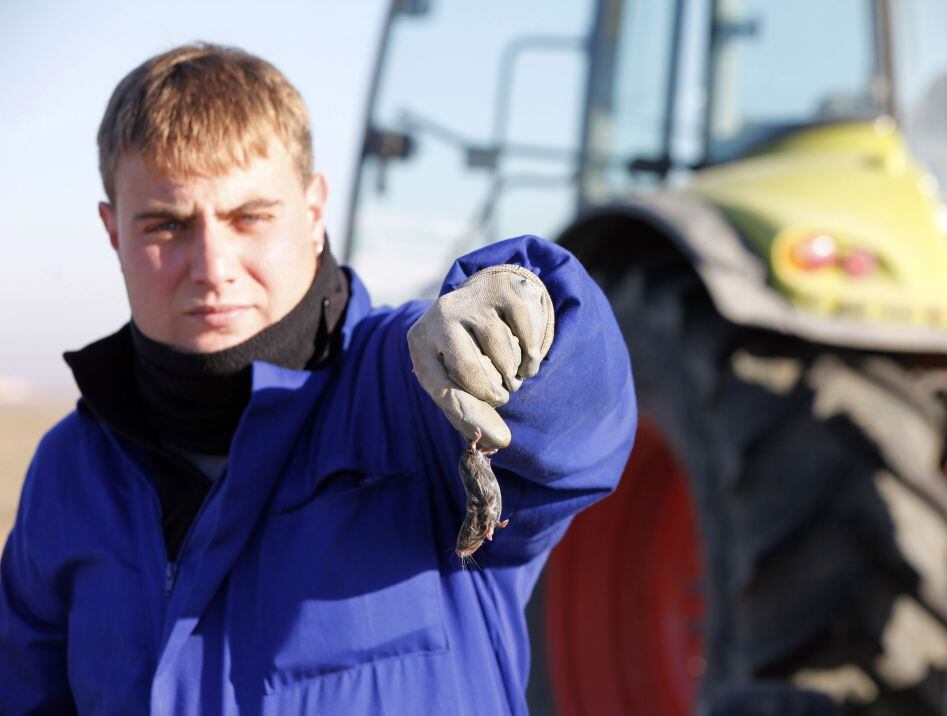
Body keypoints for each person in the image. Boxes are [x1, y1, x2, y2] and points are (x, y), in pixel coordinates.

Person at [0, 43, 635, 714]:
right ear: (112, 230)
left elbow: (578, 438)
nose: (212, 266)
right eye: (167, 224)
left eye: (250, 217)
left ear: (313, 210)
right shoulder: (68, 476)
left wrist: (530, 310)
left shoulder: (409, 396)